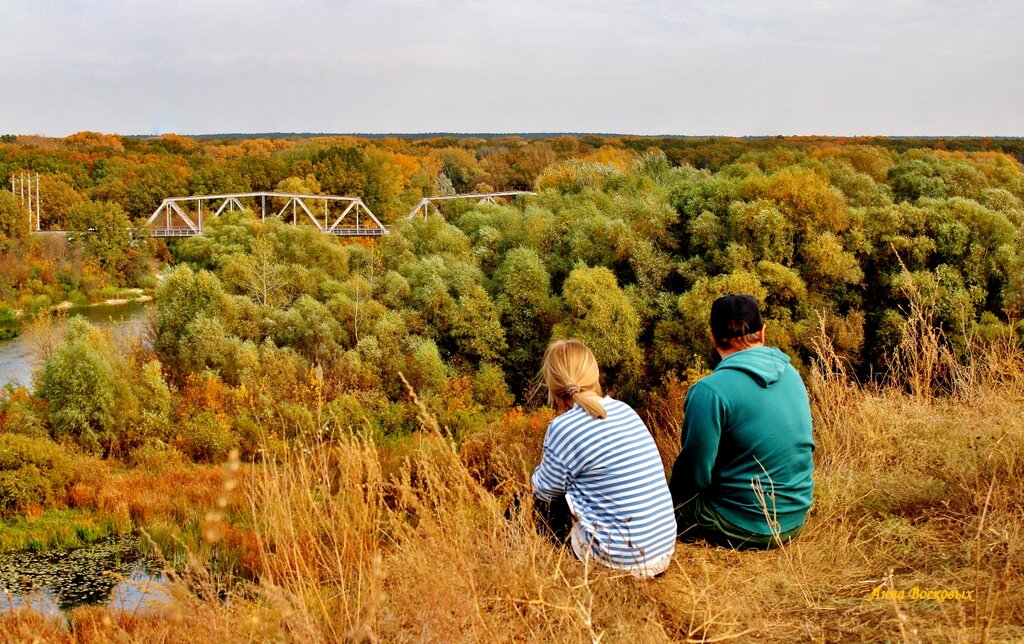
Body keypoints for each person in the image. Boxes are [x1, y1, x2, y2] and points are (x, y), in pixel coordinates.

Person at [669, 294, 814, 549]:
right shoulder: (791, 372)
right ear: (763, 332)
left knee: (660, 509)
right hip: (794, 519)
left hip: (744, 525)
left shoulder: (709, 391)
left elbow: (694, 474)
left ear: (712, 337)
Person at [531, 339, 677, 578]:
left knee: (533, 502)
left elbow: (544, 492)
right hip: (661, 550)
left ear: (552, 385)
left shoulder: (563, 428)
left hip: (621, 559)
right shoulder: (624, 409)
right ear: (594, 375)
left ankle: (498, 556)